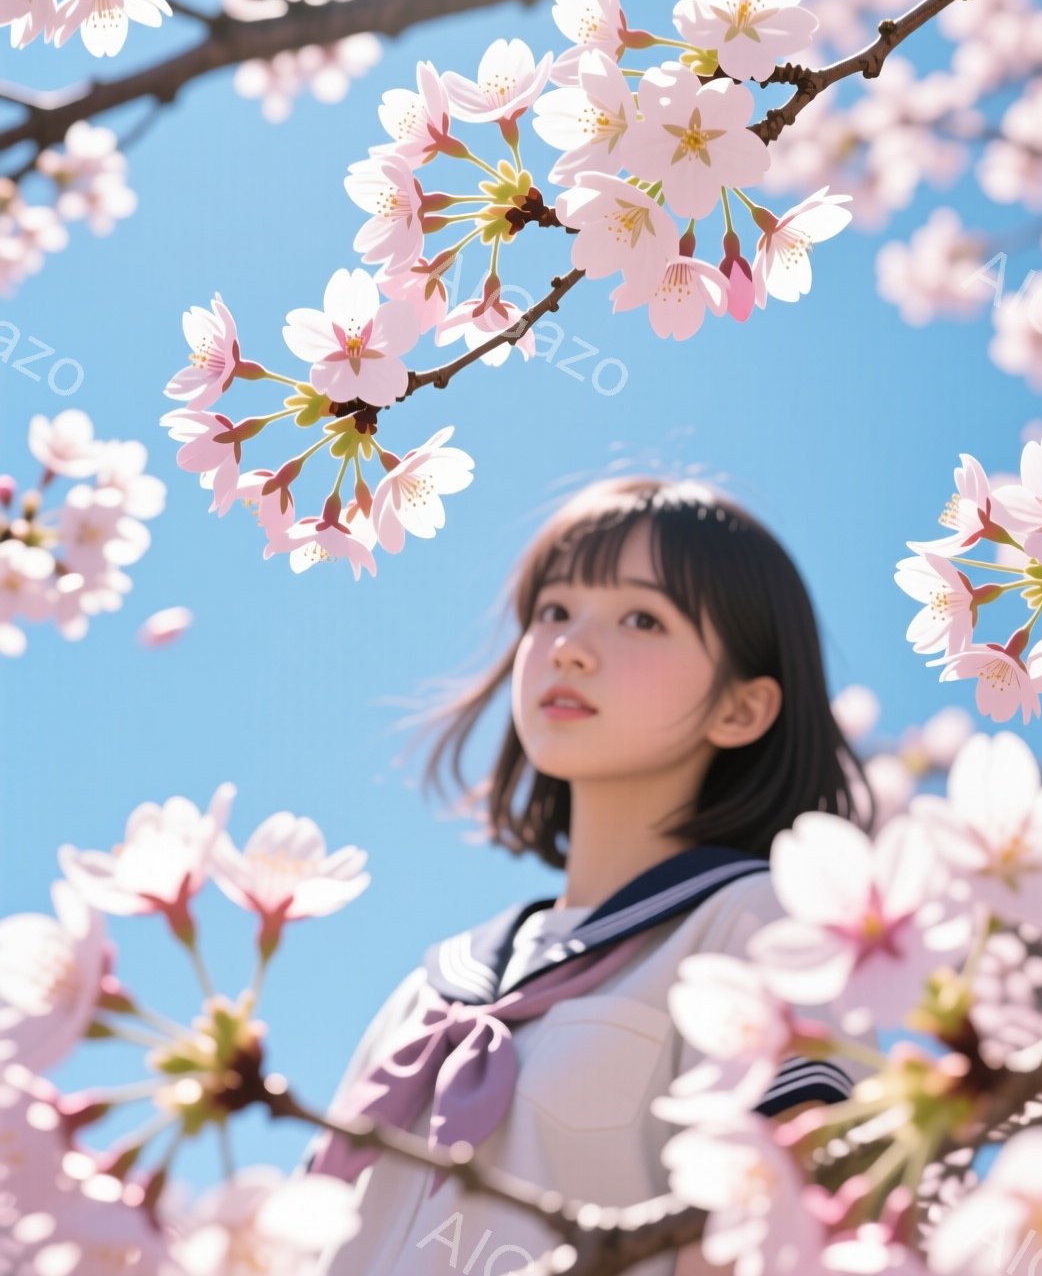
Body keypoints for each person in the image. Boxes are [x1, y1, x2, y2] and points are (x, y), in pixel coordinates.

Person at [304, 474, 872, 1276]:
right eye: (554, 611)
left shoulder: (758, 925)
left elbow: (783, 1225)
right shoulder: (430, 988)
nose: (568, 645)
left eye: (643, 618)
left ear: (740, 709)